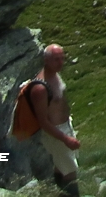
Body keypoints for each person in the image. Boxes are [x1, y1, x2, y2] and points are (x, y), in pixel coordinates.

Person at [29, 44, 80, 197]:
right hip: (56, 134)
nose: (60, 62)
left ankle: (57, 192)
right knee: (71, 171)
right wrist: (65, 139)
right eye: (56, 59)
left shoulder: (55, 75)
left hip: (65, 126)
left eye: (62, 58)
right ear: (46, 60)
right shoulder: (40, 88)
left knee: (60, 167)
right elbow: (43, 122)